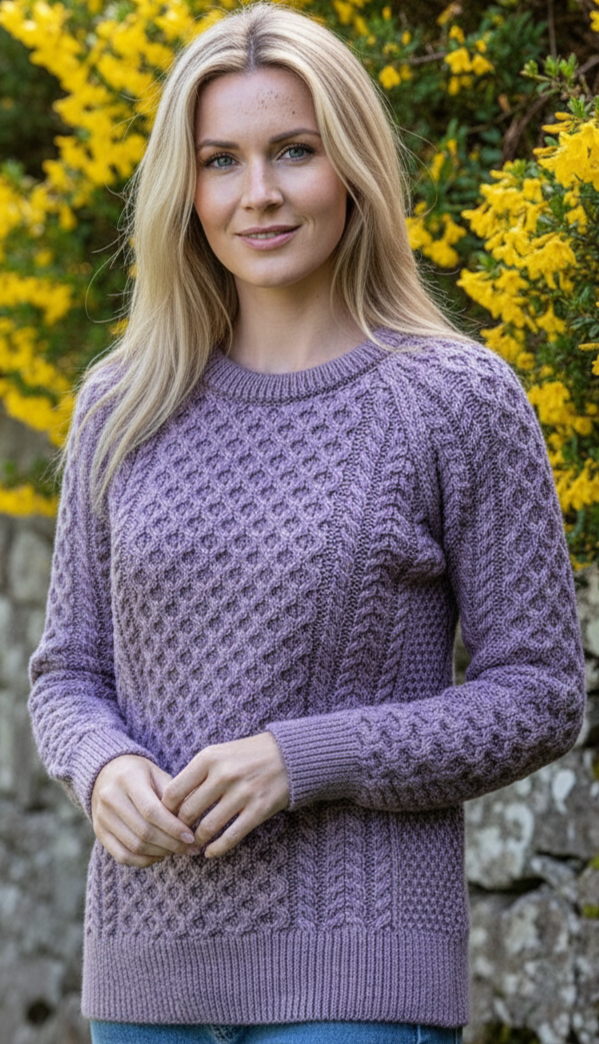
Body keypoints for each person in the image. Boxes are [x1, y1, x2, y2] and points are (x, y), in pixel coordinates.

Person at [28, 3, 586, 1043]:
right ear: (185, 188)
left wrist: (303, 759)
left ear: (353, 167)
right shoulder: (123, 403)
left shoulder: (455, 400)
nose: (259, 193)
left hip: (357, 980)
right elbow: (68, 672)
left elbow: (540, 692)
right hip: (145, 981)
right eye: (220, 161)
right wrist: (101, 767)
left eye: (294, 150)